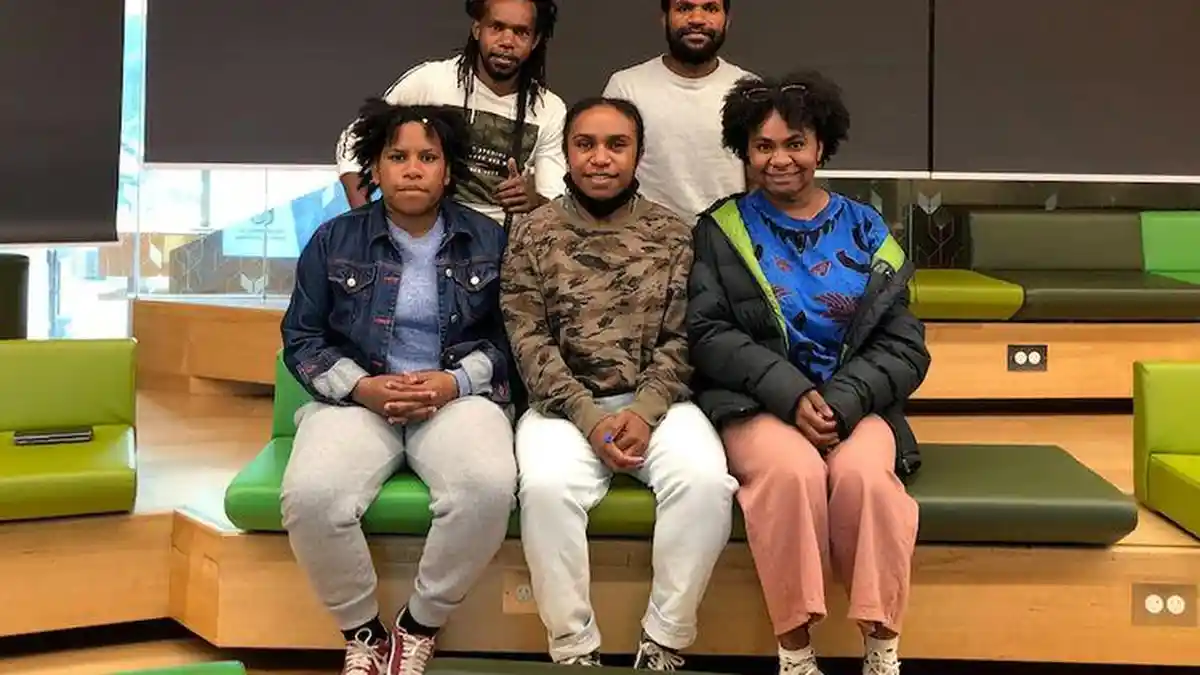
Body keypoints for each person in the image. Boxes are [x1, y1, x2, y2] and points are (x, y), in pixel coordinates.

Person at [686, 71, 931, 675]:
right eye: (763, 146)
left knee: (866, 482)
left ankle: (881, 649)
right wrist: (793, 394)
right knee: (791, 475)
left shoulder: (867, 229)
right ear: (745, 151)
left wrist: (843, 400)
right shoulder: (719, 230)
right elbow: (708, 335)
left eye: (794, 143)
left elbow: (905, 344)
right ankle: (795, 652)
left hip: (855, 405)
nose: (779, 159)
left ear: (821, 146)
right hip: (756, 404)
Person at [282, 99, 517, 675]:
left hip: (458, 398)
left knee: (487, 488)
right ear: (375, 168)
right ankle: (363, 633)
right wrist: (362, 387)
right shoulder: (333, 239)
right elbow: (302, 339)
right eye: (398, 157)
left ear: (449, 170)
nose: (413, 169)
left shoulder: (491, 239)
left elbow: (511, 339)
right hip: (357, 399)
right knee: (311, 496)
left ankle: (419, 625)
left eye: (427, 158)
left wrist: (452, 382)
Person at [501, 97, 738, 669]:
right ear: (567, 153)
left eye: (616, 145)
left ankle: (664, 639)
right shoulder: (532, 233)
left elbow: (684, 338)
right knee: (545, 490)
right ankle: (574, 647)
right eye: (585, 145)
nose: (600, 158)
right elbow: (529, 341)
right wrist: (591, 419)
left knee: (707, 484)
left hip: (660, 405)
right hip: (563, 410)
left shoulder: (673, 234)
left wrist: (644, 411)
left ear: (638, 154)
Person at [336, 0, 566, 229]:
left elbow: (556, 202)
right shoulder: (430, 81)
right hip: (424, 237)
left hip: (502, 245)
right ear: (477, 29)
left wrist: (534, 200)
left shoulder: (550, 109)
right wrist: (365, 219)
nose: (507, 41)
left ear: (535, 40)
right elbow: (352, 143)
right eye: (496, 27)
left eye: (521, 32)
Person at [601, 0, 753, 222]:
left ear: (727, 21)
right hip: (646, 235)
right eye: (684, 8)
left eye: (710, 8)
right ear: (665, 19)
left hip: (729, 234)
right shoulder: (626, 87)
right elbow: (607, 170)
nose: (697, 19)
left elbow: (759, 178)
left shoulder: (749, 90)